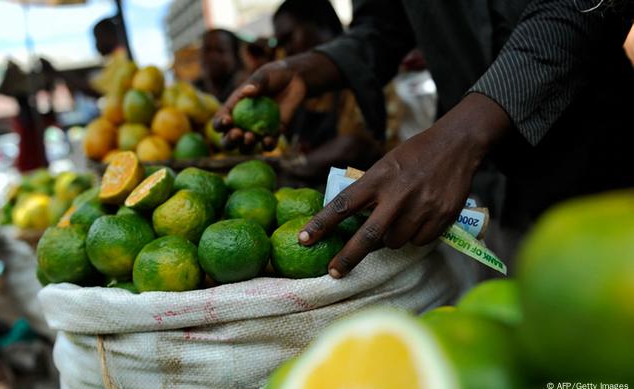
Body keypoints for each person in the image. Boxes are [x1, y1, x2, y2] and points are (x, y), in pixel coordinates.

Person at [215, 0, 634, 278]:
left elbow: (581, 6)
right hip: (484, 194)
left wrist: (460, 136)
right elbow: (383, 21)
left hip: (602, 169)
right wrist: (312, 67)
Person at [273, 0, 382, 180]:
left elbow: (352, 145)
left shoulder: (364, 74)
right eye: (280, 43)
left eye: (289, 37)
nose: (286, 49)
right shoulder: (299, 88)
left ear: (321, 25)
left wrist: (297, 164)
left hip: (367, 190)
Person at [194, 29, 246, 103]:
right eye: (207, 49)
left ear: (235, 56)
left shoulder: (245, 89)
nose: (212, 56)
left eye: (220, 50)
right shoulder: (194, 91)